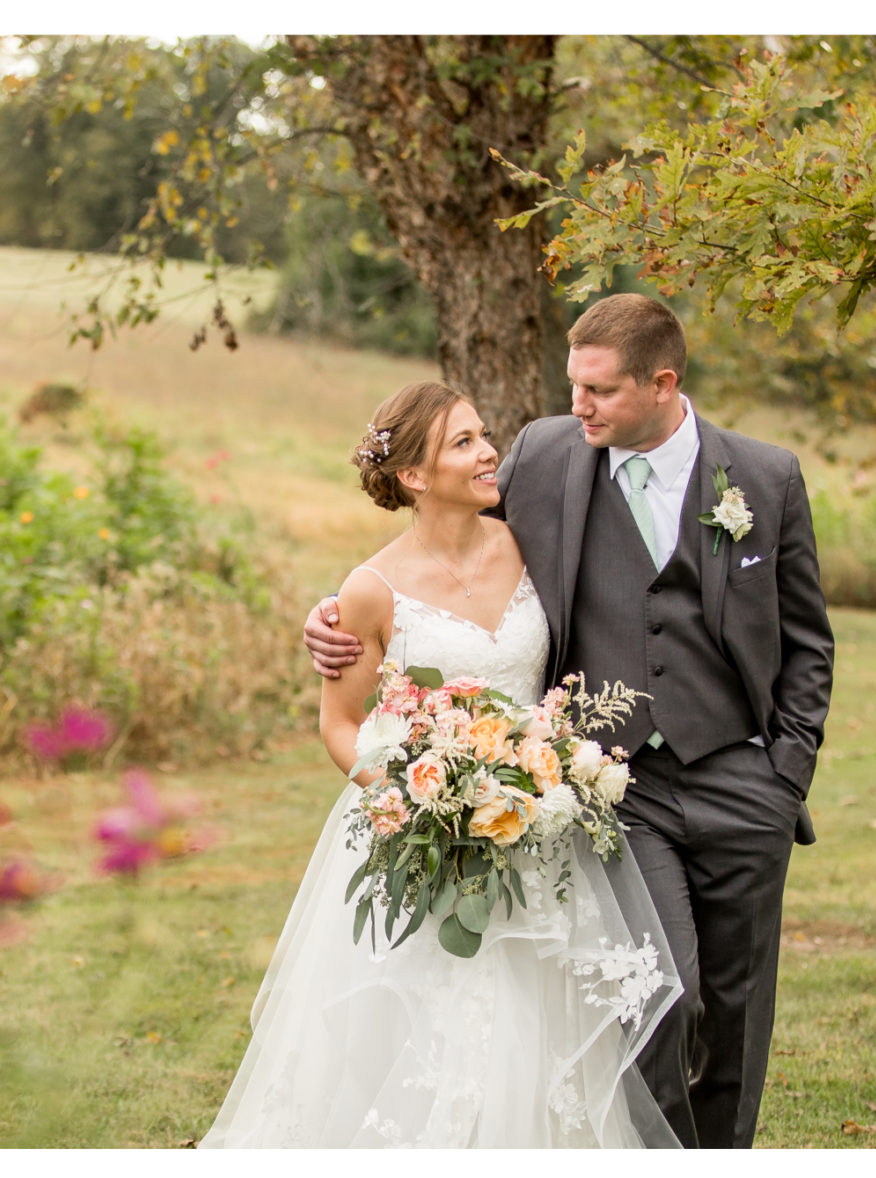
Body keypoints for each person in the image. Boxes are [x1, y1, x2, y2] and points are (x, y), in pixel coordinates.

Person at [303, 294, 835, 1149]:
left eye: (600, 390)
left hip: (744, 779)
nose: (576, 406)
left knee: (736, 1006)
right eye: (572, 386)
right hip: (616, 786)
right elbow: (437, 552)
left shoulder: (764, 479)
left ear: (662, 384)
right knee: (661, 992)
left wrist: (786, 771)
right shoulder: (548, 455)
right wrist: (331, 616)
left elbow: (809, 640)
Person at [200, 381, 684, 1148]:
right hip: (428, 844)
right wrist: (423, 803)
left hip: (538, 835)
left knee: (538, 1036)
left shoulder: (531, 543)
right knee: (429, 1036)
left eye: (483, 435)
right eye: (463, 442)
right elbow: (342, 725)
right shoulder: (368, 590)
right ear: (414, 477)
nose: (489, 451)